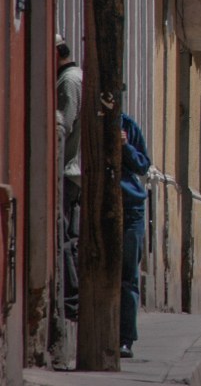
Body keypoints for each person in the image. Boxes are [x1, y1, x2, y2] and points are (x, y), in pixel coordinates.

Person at [119, 111, 151, 359]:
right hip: (101, 206)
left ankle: (126, 338)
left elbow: (143, 164)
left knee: (128, 275)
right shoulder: (91, 121)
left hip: (131, 209)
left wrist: (126, 146)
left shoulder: (127, 124)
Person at [56, 34, 83, 321]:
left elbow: (63, 125)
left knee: (65, 239)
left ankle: (72, 300)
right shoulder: (73, 78)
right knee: (70, 238)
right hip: (73, 172)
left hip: (69, 171)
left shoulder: (69, 81)